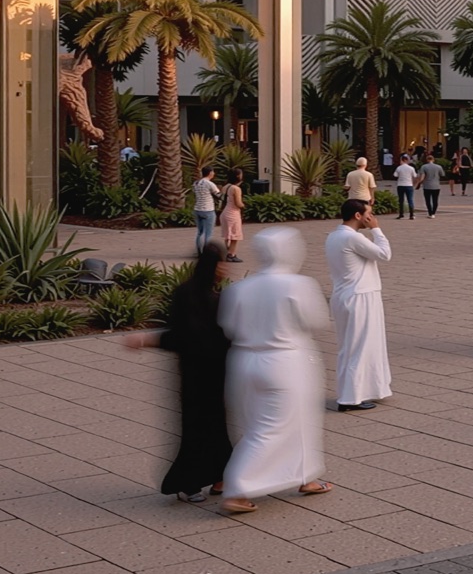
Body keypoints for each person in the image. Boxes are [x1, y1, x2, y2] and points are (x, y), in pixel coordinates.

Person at [216, 226, 332, 512]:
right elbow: (318, 320)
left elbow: (228, 326)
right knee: (277, 426)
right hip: (285, 361)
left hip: (244, 360)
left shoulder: (239, 288)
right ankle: (238, 487)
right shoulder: (298, 284)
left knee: (259, 423)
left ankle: (306, 476)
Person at [128, 243, 231, 503]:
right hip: (198, 373)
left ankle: (221, 477)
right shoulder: (193, 296)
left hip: (211, 372)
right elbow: (183, 336)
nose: (225, 269)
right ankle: (188, 483)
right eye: (222, 263)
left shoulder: (209, 295)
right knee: (197, 427)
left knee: (216, 427)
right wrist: (149, 340)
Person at [324, 199, 392, 412]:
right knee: (359, 347)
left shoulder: (335, 236)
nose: (371, 218)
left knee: (354, 345)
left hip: (346, 295)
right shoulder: (352, 237)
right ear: (357, 215)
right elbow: (384, 254)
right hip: (360, 295)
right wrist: (377, 230)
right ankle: (349, 397)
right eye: (369, 214)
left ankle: (365, 389)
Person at [219, 177, 246, 263]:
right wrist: (244, 206)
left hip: (225, 212)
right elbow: (238, 203)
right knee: (235, 235)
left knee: (228, 235)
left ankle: (227, 252)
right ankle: (232, 254)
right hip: (233, 213)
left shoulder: (226, 187)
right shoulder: (236, 188)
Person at [391, 156, 417, 220]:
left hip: (400, 185)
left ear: (402, 160)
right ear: (407, 160)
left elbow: (395, 175)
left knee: (401, 200)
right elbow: (415, 176)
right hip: (409, 185)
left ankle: (401, 214)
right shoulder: (411, 168)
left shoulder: (399, 168)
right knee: (410, 200)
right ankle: (411, 215)